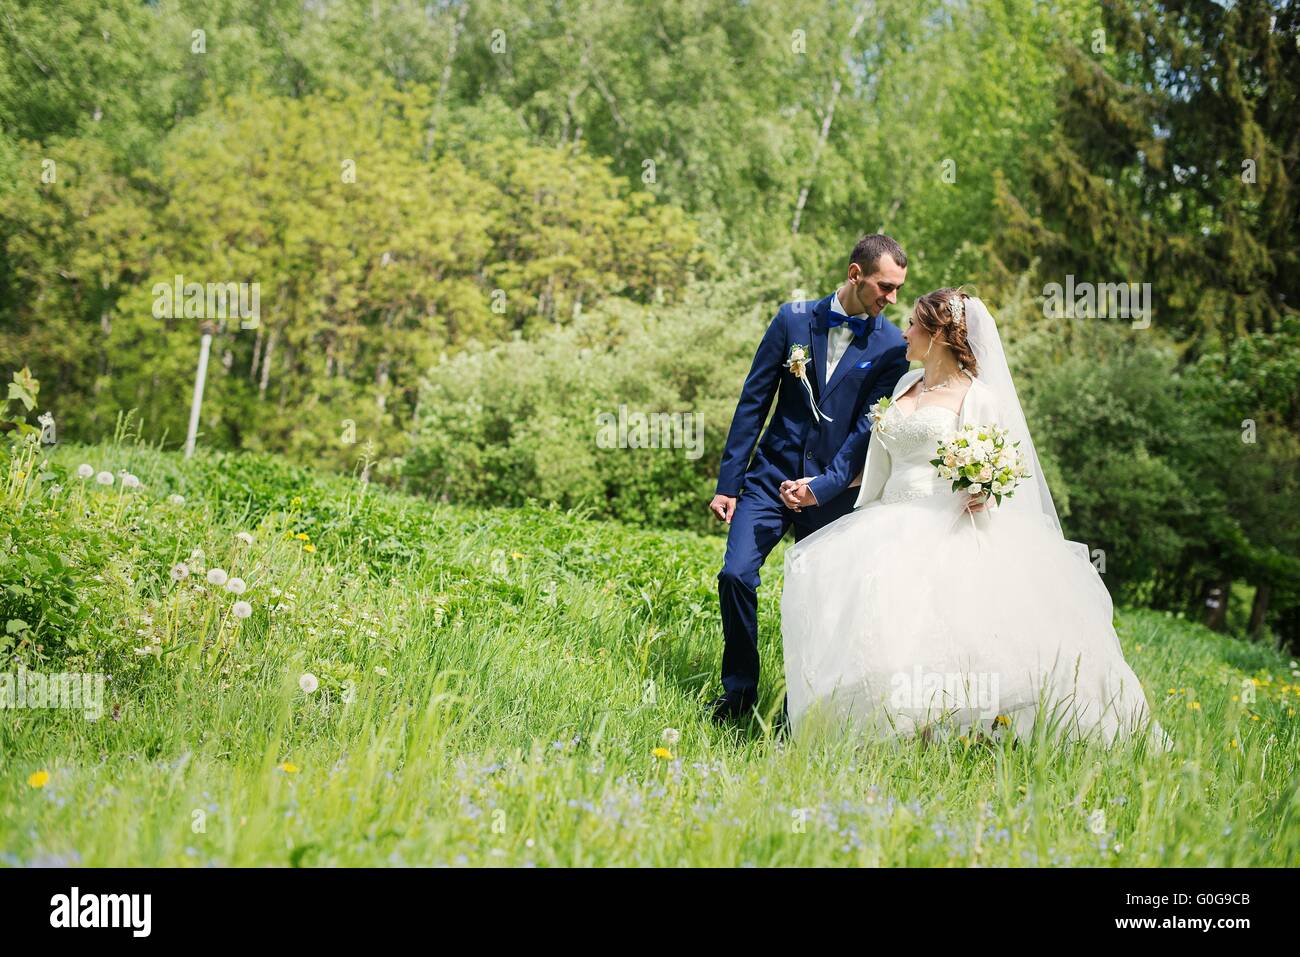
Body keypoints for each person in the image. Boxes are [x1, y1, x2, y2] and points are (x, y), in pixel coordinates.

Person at [779, 289, 1172, 750]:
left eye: (913, 324)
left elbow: (1000, 467)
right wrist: (816, 488)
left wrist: (984, 489)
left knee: (949, 637)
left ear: (939, 334)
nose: (903, 332)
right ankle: (886, 735)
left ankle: (954, 735)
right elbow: (878, 463)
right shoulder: (904, 385)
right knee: (880, 631)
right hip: (887, 522)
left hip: (947, 523)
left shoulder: (978, 397)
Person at [707, 234, 910, 723]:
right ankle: (738, 695)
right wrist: (728, 482)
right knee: (735, 575)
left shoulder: (892, 346)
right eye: (885, 286)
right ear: (855, 274)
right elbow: (753, 401)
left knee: (820, 603)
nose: (893, 299)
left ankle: (802, 710)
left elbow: (867, 427)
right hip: (767, 478)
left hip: (833, 493)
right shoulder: (792, 319)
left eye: (900, 288)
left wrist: (822, 486)